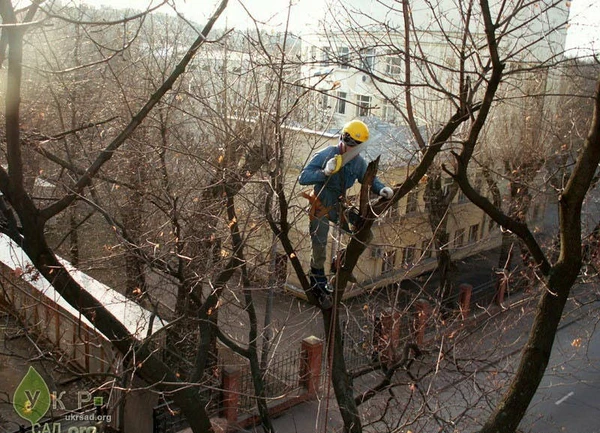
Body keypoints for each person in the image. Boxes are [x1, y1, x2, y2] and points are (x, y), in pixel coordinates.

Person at [299, 119, 393, 308]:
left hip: (339, 205)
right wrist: (324, 173)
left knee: (366, 234)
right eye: (348, 145)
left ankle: (340, 260)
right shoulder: (327, 155)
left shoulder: (358, 162)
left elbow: (370, 178)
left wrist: (383, 189)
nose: (350, 149)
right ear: (343, 139)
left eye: (355, 147)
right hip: (321, 204)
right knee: (319, 245)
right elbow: (303, 177)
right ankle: (317, 282)